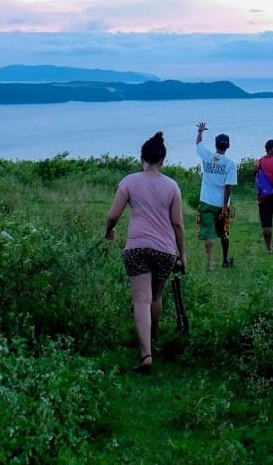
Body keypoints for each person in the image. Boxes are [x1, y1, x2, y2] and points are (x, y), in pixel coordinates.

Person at [104, 130, 185, 374]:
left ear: (142, 158)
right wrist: (183, 255)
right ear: (163, 161)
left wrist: (109, 231)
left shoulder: (129, 181)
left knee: (141, 300)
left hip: (136, 248)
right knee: (156, 297)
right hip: (165, 251)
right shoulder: (172, 186)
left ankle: (145, 354)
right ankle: (153, 339)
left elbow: (113, 215)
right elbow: (178, 224)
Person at [195, 122, 237, 270]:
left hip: (206, 201)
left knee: (208, 232)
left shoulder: (207, 156)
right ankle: (225, 260)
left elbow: (199, 143)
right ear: (228, 146)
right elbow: (228, 187)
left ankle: (210, 263)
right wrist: (225, 207)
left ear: (216, 144)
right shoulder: (230, 164)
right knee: (224, 233)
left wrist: (200, 131)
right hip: (221, 204)